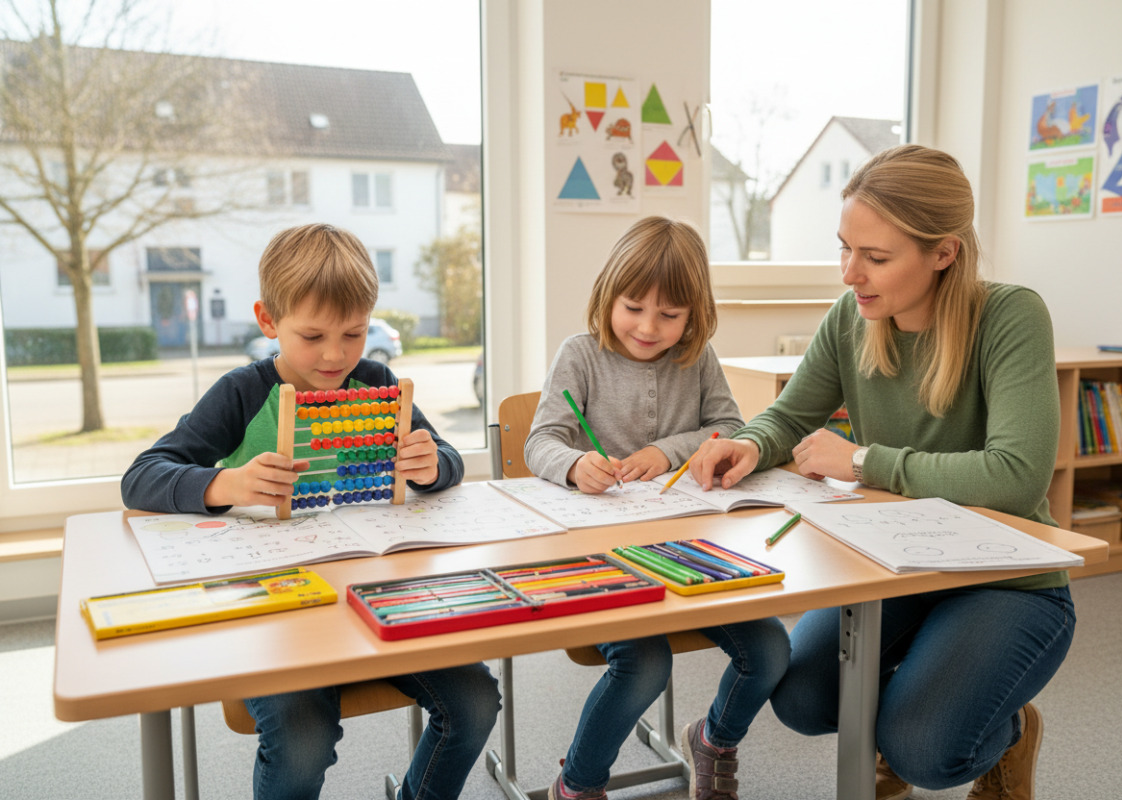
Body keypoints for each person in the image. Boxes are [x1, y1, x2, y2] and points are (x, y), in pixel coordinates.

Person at [688, 144, 1074, 800]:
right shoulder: (851, 318)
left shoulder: (1012, 316)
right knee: (803, 700)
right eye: (844, 248)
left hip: (1005, 578)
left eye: (875, 257)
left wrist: (864, 461)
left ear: (943, 253)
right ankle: (932, 688)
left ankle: (1003, 729)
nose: (849, 274)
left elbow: (1016, 475)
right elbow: (787, 416)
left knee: (923, 750)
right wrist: (751, 446)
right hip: (892, 563)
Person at [121, 223, 500, 800]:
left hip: (377, 593)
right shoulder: (242, 393)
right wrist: (229, 483)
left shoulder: (375, 382)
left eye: (354, 333)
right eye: (313, 334)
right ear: (268, 321)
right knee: (302, 739)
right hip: (277, 611)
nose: (335, 354)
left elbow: (447, 460)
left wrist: (432, 465)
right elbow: (142, 476)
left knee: (475, 701)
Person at [525, 216, 791, 800]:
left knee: (771, 649)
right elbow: (539, 441)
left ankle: (714, 740)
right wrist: (573, 465)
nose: (648, 328)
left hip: (692, 552)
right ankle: (577, 784)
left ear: (694, 316)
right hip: (602, 557)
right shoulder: (580, 354)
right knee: (645, 663)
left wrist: (666, 451)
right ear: (606, 297)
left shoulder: (696, 358)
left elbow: (730, 427)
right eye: (632, 307)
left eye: (670, 316)